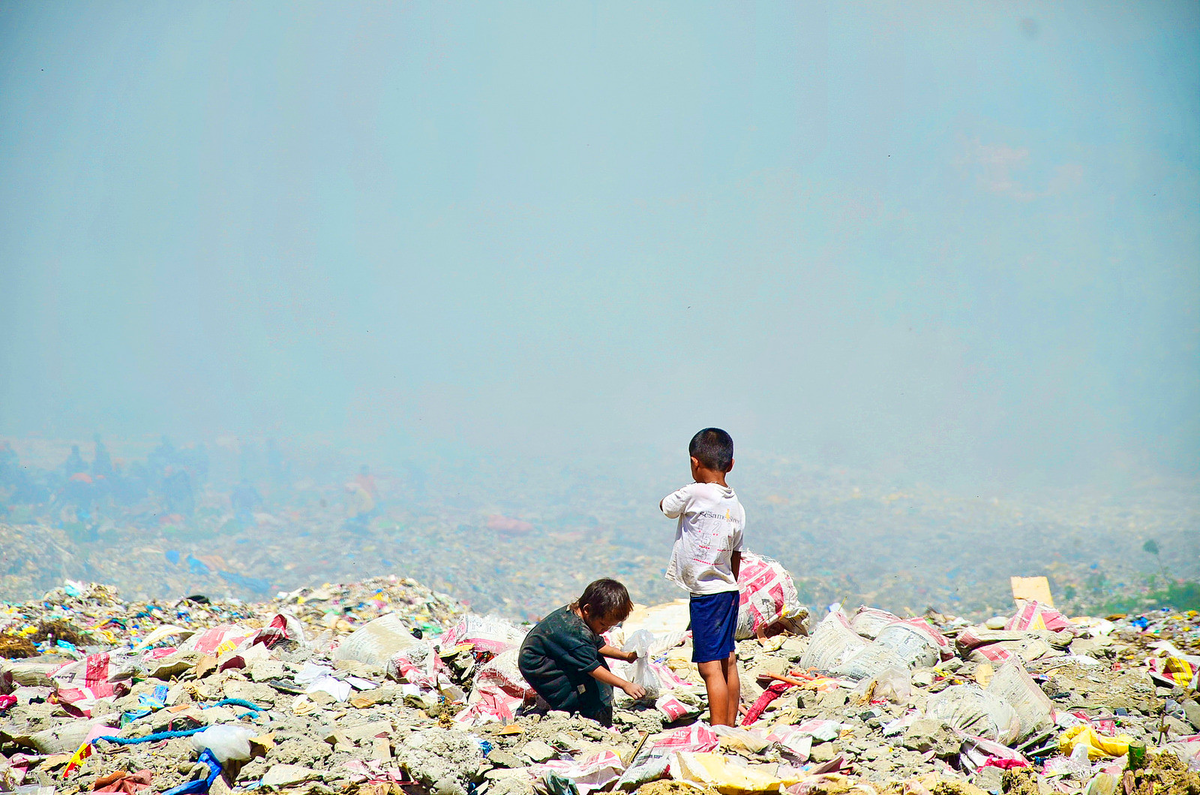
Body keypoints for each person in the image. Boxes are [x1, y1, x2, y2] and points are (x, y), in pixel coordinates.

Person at [659, 427, 745, 726]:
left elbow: (666, 507)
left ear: (695, 462)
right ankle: (731, 725)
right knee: (727, 659)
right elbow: (736, 554)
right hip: (728, 590)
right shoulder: (736, 506)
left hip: (706, 596)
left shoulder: (694, 492)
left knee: (709, 668)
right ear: (731, 464)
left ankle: (720, 731)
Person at [518, 578, 646, 726]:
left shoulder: (583, 620)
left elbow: (596, 644)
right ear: (587, 609)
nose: (605, 630)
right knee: (574, 693)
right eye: (603, 624)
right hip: (540, 665)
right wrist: (625, 685)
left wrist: (625, 656)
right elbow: (592, 668)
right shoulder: (575, 631)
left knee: (597, 680)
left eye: (610, 627)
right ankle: (575, 718)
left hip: (557, 653)